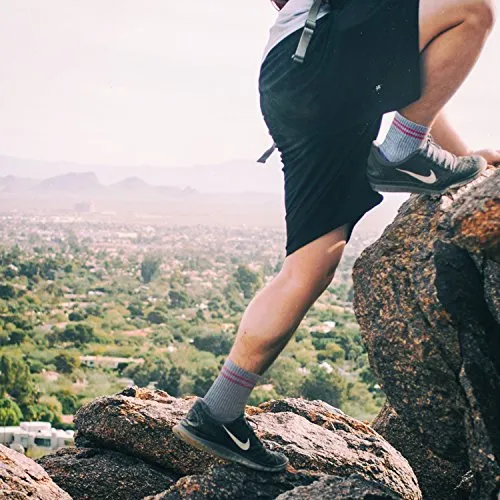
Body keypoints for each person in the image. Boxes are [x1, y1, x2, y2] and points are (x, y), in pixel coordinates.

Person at [173, 0, 499, 472]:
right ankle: (403, 151)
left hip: (298, 80)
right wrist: (411, 147)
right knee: (474, 9)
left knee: (311, 265)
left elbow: (418, 83)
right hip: (319, 56)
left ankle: (218, 410)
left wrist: (467, 159)